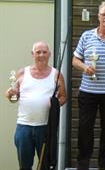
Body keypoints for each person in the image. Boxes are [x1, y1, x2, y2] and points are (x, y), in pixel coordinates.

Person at [72, 1, 105, 170]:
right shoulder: (86, 36)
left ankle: (104, 166)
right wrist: (84, 67)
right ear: (98, 16)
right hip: (88, 92)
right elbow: (75, 60)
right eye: (103, 14)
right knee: (84, 130)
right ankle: (83, 165)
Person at [4, 41, 67, 170]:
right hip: (24, 127)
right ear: (33, 54)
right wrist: (10, 94)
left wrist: (55, 104)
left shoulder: (56, 75)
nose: (41, 55)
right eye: (38, 52)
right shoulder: (22, 73)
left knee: (46, 166)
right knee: (25, 166)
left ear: (49, 54)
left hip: (45, 128)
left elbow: (64, 96)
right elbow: (13, 97)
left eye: (44, 52)